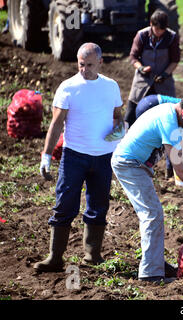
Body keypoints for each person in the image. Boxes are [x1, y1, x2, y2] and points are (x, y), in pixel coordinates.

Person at [111, 93, 183, 283]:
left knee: (153, 213)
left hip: (136, 164)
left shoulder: (172, 114)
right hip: (128, 164)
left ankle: (155, 262)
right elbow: (179, 166)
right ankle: (151, 274)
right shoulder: (168, 122)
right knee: (152, 214)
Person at [35, 43, 125, 272]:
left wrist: (118, 131)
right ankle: (55, 257)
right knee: (65, 204)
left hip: (103, 157)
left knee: (98, 205)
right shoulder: (68, 87)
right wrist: (46, 156)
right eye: (81, 64)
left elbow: (117, 116)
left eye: (90, 65)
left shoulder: (111, 86)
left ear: (101, 63)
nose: (84, 69)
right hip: (74, 155)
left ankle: (92, 255)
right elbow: (55, 125)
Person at [125, 9, 180, 128]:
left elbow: (175, 60)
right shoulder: (142, 35)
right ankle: (124, 134)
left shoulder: (171, 37)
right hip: (143, 80)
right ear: (151, 24)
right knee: (131, 112)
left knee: (170, 111)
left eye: (162, 30)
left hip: (164, 81)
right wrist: (141, 68)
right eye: (157, 29)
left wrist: (165, 74)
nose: (159, 32)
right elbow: (133, 57)